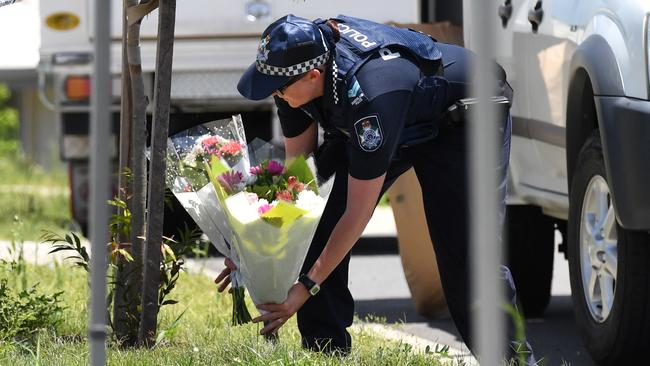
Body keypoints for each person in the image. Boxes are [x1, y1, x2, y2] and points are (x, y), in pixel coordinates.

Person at [216, 14, 534, 363]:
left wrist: (303, 288)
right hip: (400, 115)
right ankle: (325, 353)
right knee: (316, 216)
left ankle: (511, 360)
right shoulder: (292, 76)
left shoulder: (370, 94)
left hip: (464, 117)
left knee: (467, 256)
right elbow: (300, 185)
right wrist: (251, 246)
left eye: (278, 89)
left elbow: (357, 214)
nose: (273, 95)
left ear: (312, 76)